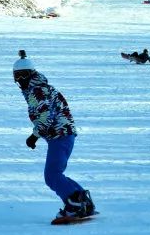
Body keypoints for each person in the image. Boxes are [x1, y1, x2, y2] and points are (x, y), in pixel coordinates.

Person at [13, 51, 95, 223]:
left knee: (52, 176)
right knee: (56, 174)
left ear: (31, 74)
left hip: (60, 134)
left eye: (23, 76)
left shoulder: (37, 91)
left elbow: (46, 116)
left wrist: (34, 136)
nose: (20, 81)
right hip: (63, 134)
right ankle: (83, 202)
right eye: (16, 77)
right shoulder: (38, 89)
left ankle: (74, 206)